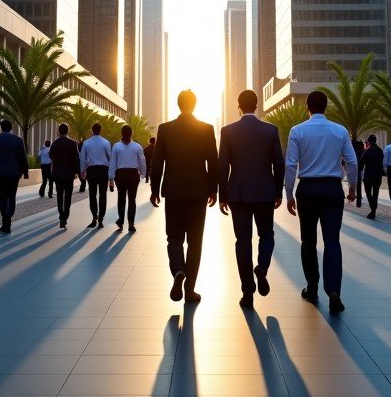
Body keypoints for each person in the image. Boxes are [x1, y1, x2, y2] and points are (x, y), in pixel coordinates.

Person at [285, 91, 358, 314]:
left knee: (308, 241)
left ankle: (313, 288)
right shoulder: (340, 131)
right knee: (332, 241)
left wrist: (289, 194)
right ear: (326, 106)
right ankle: (333, 290)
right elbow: (352, 161)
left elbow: (290, 165)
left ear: (307, 106)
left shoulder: (297, 131)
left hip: (307, 189)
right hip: (332, 189)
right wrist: (352, 187)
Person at [150, 89, 219, 304]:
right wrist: (213, 189)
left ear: (178, 104)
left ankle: (178, 270)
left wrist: (154, 189)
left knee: (174, 237)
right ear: (194, 104)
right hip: (198, 191)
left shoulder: (165, 129)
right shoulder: (206, 129)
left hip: (173, 191)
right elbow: (214, 162)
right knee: (195, 242)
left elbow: (157, 162)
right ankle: (190, 290)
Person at [218, 89, 285, 309]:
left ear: (239, 105)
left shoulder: (228, 131)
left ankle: (247, 292)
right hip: (265, 193)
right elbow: (279, 163)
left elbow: (222, 165)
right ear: (257, 105)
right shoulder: (270, 130)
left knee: (242, 242)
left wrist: (222, 194)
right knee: (267, 235)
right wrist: (278, 191)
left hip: (238, 194)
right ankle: (262, 268)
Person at [0, 119, 30, 233]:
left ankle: (5, 221)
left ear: (1, 128)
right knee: (11, 196)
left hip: (0, 174)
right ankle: (8, 219)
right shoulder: (18, 140)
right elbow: (23, 157)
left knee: (2, 198)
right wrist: (25, 171)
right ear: (11, 128)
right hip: (13, 174)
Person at [108, 124, 148, 232]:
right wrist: (143, 174)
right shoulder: (137, 146)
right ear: (131, 134)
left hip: (120, 175)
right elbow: (142, 161)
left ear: (121, 133)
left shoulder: (116, 146)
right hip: (133, 174)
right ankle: (131, 224)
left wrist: (111, 178)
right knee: (132, 199)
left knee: (121, 198)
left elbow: (112, 163)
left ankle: (121, 220)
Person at [49, 123, 81, 230]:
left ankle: (61, 215)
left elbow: (51, 156)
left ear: (59, 131)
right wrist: (77, 172)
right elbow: (76, 159)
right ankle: (65, 216)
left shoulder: (55, 143)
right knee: (68, 196)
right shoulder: (72, 143)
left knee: (59, 196)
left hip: (58, 174)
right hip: (69, 174)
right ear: (67, 131)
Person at [81, 122, 113, 228]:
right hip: (103, 170)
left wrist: (83, 171)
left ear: (92, 130)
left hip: (92, 170)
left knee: (92, 195)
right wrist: (111, 174)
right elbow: (110, 158)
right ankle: (101, 219)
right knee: (103, 194)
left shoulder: (86, 143)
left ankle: (94, 217)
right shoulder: (106, 143)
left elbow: (83, 159)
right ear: (100, 130)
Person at [361, 134, 384, 219]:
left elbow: (361, 162)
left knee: (368, 192)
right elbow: (382, 162)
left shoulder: (367, 151)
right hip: (377, 176)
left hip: (368, 176)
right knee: (375, 193)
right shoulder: (380, 151)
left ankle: (373, 209)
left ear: (369, 141)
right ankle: (374, 209)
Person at [350, 135, 365, 208]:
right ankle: (357, 198)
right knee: (358, 182)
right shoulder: (360, 146)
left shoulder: (355, 145)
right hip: (359, 167)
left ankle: (356, 197)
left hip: (356, 166)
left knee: (357, 182)